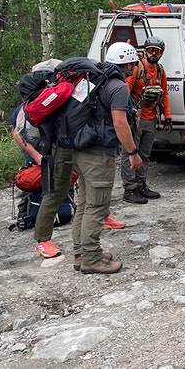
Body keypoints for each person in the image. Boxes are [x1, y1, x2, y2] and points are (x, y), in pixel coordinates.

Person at [12, 60, 125, 260]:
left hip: (63, 147)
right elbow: (17, 132)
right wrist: (37, 157)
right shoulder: (58, 92)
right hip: (54, 150)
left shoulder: (65, 91)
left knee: (75, 190)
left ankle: (57, 240)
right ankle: (43, 240)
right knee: (57, 193)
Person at [66, 42, 142, 274]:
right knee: (97, 207)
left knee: (85, 204)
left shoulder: (91, 79)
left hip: (80, 148)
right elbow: (120, 122)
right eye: (134, 64)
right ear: (128, 63)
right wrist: (133, 152)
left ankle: (82, 253)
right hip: (98, 153)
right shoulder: (118, 86)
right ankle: (91, 258)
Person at [121, 36, 172, 204]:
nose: (153, 54)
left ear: (161, 53)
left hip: (151, 117)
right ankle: (130, 189)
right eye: (150, 50)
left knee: (145, 154)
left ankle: (141, 185)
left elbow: (164, 94)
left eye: (157, 51)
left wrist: (168, 117)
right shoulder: (137, 69)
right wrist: (128, 112)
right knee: (130, 153)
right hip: (136, 118)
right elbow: (125, 91)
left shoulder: (160, 70)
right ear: (145, 51)